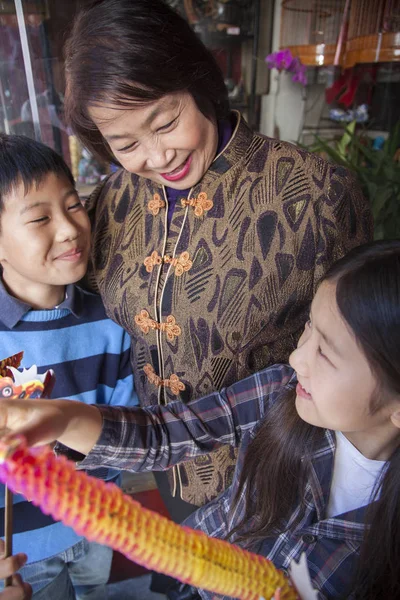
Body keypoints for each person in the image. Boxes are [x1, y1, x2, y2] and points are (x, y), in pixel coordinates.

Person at [61, 0, 373, 517]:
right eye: (125, 143)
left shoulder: (317, 196)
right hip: (166, 470)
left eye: (165, 122)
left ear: (197, 81)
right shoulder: (111, 203)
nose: (157, 157)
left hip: (281, 475)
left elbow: (367, 349)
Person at [1, 239, 400, 600]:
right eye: (308, 327)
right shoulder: (279, 391)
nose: (298, 358)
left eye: (326, 354)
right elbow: (167, 433)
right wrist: (62, 417)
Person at [0, 133, 139, 600]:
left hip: (97, 522)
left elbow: (128, 423)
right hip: (22, 550)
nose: (68, 229)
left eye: (74, 205)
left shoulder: (110, 318)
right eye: (40, 217)